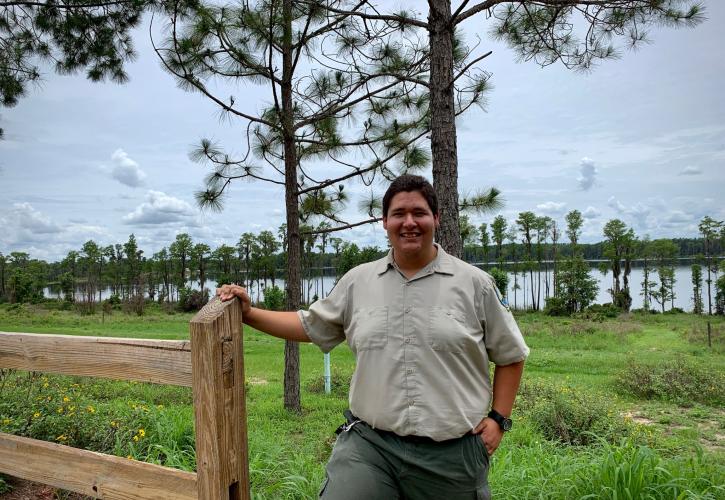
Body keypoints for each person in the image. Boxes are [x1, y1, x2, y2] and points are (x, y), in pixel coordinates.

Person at [217, 174, 529, 499]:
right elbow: (309, 325)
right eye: (399, 214)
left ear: (436, 218)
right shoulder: (358, 282)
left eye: (419, 213)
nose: (409, 222)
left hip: (451, 456)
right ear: (385, 221)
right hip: (371, 446)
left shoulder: (475, 284)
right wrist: (249, 314)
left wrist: (498, 419)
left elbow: (511, 356)